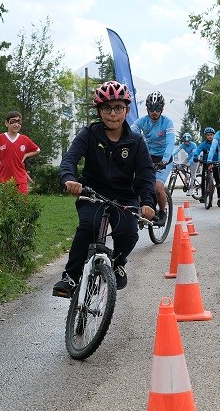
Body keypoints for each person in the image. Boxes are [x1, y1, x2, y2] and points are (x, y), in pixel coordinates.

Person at [53, 81, 156, 298]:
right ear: (99, 111)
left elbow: (146, 175)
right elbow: (70, 159)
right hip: (93, 193)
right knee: (88, 226)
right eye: (107, 108)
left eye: (118, 107)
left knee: (128, 233)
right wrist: (69, 178)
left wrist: (147, 202)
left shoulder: (136, 142)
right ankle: (70, 277)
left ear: (126, 110)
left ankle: (118, 263)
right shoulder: (89, 134)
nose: (113, 114)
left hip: (124, 197)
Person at [130, 91, 175, 225]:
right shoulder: (142, 121)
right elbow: (130, 135)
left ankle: (162, 211)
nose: (154, 112)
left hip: (163, 160)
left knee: (157, 187)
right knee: (135, 183)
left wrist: (165, 160)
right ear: (147, 109)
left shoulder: (167, 122)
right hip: (148, 158)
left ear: (162, 109)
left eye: (157, 109)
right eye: (151, 109)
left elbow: (170, 142)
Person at [0, 111, 40, 194]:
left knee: (22, 204)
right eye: (13, 121)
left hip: (20, 179)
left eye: (19, 122)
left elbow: (37, 150)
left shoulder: (24, 139)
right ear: (7, 123)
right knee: (5, 205)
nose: (16, 125)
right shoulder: (0, 138)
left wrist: (25, 155)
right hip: (4, 179)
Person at [193, 126, 220, 205]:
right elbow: (198, 151)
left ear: (213, 135)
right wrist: (195, 156)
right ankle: (203, 195)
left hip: (215, 163)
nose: (210, 136)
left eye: (211, 135)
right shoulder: (203, 144)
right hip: (206, 163)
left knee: (218, 180)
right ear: (206, 136)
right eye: (208, 135)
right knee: (203, 180)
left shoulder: (216, 144)